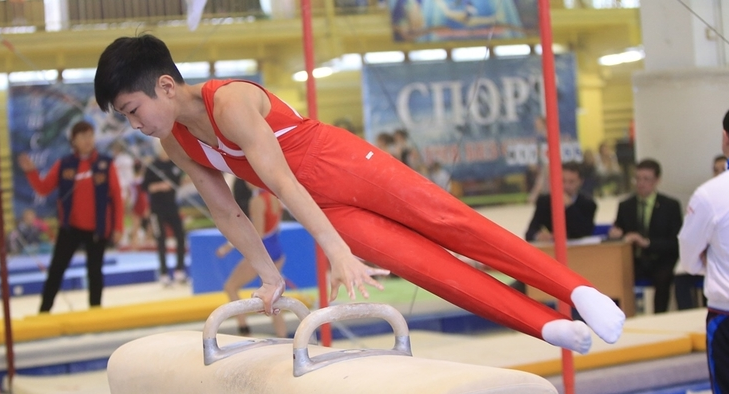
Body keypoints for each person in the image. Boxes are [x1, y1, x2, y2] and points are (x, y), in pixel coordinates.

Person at [93, 34, 625, 355]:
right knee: (425, 268)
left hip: (341, 165)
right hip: (323, 208)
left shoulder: (229, 102)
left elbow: (282, 182)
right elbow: (226, 210)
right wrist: (269, 275)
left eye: (133, 110)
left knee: (449, 223)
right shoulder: (176, 144)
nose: (134, 124)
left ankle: (578, 291)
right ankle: (545, 324)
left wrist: (337, 252)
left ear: (165, 86)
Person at [18, 121, 124, 313]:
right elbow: (43, 188)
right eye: (83, 137)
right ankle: (44, 311)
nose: (87, 140)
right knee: (56, 271)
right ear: (73, 140)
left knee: (95, 273)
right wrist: (30, 172)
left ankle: (95, 313)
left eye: (90, 136)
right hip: (70, 228)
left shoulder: (105, 164)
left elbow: (116, 198)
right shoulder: (64, 164)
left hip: (98, 228)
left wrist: (118, 228)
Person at [678, 108, 729, 394]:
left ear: (726, 139)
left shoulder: (711, 195)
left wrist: (709, 265)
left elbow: (688, 258)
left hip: (726, 318)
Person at [608, 159, 682, 314]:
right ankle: (621, 316)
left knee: (663, 277)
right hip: (635, 259)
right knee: (614, 275)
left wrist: (646, 243)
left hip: (660, 259)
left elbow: (675, 243)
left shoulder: (670, 206)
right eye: (638, 179)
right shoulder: (625, 205)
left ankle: (660, 317)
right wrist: (616, 235)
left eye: (646, 179)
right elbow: (618, 232)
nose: (641, 183)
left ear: (657, 180)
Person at [216, 181, 287, 338]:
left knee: (230, 287)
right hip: (277, 251)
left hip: (264, 253)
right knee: (273, 297)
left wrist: (228, 246)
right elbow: (274, 228)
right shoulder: (274, 197)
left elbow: (257, 234)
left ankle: (244, 331)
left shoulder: (257, 201)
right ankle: (283, 336)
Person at [672, 154, 728, 310]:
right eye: (716, 170)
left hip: (721, 266)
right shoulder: (705, 195)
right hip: (705, 258)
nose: (719, 173)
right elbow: (691, 239)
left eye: (723, 169)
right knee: (681, 275)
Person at [142, 141, 187, 286]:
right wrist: (158, 186)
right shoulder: (153, 165)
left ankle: (179, 270)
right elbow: (145, 186)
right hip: (157, 209)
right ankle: (164, 273)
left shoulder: (174, 164)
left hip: (172, 207)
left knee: (180, 236)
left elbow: (179, 181)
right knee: (160, 239)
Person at [525, 162, 597, 243]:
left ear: (580, 182)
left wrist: (569, 207)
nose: (566, 186)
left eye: (571, 182)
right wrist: (538, 236)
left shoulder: (588, 204)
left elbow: (584, 232)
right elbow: (530, 232)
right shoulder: (544, 202)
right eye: (563, 181)